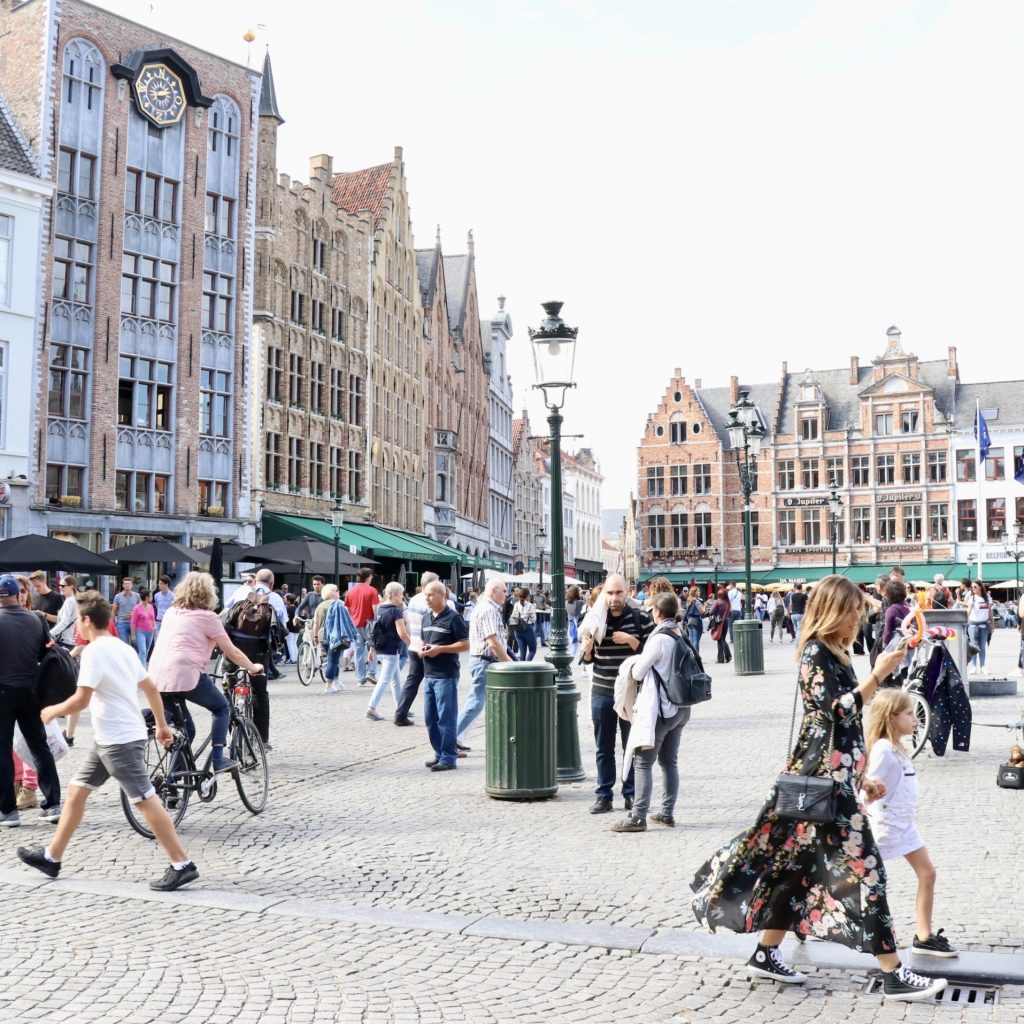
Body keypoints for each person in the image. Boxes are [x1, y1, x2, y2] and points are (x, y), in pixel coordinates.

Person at [690, 575, 947, 1002]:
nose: (858, 622)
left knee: (797, 868)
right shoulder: (814, 652)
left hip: (834, 779)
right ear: (834, 612)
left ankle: (765, 952)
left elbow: (846, 729)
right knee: (867, 870)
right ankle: (893, 971)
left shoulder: (839, 653)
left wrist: (860, 771)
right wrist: (878, 675)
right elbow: (834, 712)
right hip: (818, 780)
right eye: (852, 614)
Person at [16, 591, 199, 891]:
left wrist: (52, 711)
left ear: (87, 620)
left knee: (145, 799)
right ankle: (52, 857)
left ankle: (182, 863)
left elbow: (81, 699)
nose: (78, 627)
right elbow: (151, 688)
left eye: (78, 621)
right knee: (76, 792)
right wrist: (162, 725)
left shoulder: (95, 651)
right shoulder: (122, 647)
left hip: (119, 740)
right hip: (111, 738)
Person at [863, 689, 958, 958]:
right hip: (885, 827)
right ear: (891, 717)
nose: (914, 717)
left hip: (905, 826)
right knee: (858, 883)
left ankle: (924, 936)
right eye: (908, 713)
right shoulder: (882, 749)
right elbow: (864, 790)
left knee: (928, 873)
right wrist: (870, 792)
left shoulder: (899, 748)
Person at [148, 571, 264, 773]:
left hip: (157, 677)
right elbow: (232, 652)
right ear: (209, 594)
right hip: (185, 674)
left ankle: (173, 785)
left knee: (188, 731)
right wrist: (253, 667)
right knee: (222, 708)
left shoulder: (171, 613)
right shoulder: (208, 617)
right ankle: (219, 760)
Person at [610, 591, 690, 833]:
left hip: (662, 709)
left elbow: (638, 673)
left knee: (643, 762)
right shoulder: (679, 633)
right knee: (669, 762)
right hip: (681, 707)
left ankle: (638, 817)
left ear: (656, 612)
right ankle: (667, 812)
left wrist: (633, 664)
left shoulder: (658, 639)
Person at [580, 574, 653, 815]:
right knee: (603, 746)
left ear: (627, 592)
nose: (614, 598)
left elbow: (653, 653)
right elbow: (587, 659)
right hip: (602, 690)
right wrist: (588, 651)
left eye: (618, 593)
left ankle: (630, 794)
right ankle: (604, 794)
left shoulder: (640, 618)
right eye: (610, 593)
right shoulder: (595, 621)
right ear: (604, 594)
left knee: (631, 746)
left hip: (631, 693)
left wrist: (632, 641)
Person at [0, 574, 62, 827]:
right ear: (19, 594)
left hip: (2, 692)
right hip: (31, 692)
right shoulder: (36, 619)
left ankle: (8, 811)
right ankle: (53, 803)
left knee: (2, 750)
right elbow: (46, 654)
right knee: (39, 747)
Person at [224, 568, 285, 744]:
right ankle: (263, 739)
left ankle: (231, 734)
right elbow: (281, 625)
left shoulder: (242, 591)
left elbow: (227, 611)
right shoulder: (275, 598)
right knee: (260, 693)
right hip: (259, 650)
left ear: (255, 580)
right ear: (272, 584)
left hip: (235, 648)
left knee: (227, 688)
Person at [456, 577, 512, 751]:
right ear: (494, 590)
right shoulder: (488, 609)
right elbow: (493, 642)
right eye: (504, 590)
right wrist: (510, 664)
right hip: (485, 662)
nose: (506, 594)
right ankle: (450, 740)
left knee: (480, 703)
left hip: (484, 661)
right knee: (475, 703)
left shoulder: (488, 608)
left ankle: (456, 739)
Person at [420, 581, 470, 771]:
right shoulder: (426, 618)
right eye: (426, 595)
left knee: (446, 718)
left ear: (442, 596)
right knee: (430, 718)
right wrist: (423, 649)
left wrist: (440, 649)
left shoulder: (453, 618)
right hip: (429, 673)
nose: (427, 598)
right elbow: (425, 640)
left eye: (431, 595)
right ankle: (439, 753)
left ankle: (449, 757)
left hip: (446, 675)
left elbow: (465, 644)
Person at [395, 571, 448, 726]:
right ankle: (437, 718)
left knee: (412, 682)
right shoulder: (429, 602)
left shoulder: (413, 600)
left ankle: (400, 713)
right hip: (428, 646)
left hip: (414, 644)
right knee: (436, 682)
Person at [365, 582, 410, 721]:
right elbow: (402, 633)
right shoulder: (395, 611)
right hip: (392, 649)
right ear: (395, 594)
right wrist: (413, 644)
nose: (402, 598)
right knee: (384, 680)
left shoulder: (380, 608)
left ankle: (401, 707)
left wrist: (372, 649)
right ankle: (371, 708)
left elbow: (376, 629)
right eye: (401, 595)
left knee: (396, 679)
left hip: (381, 648)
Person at [345, 568, 379, 687]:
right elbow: (375, 609)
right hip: (369, 624)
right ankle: (371, 673)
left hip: (356, 625)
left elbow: (348, 609)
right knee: (374, 648)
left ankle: (360, 679)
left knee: (358, 652)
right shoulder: (372, 590)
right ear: (368, 577)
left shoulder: (351, 591)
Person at [321, 585, 357, 693]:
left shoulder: (321, 605)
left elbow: (317, 622)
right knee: (333, 661)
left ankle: (336, 682)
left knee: (333, 660)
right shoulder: (339, 604)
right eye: (337, 590)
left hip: (323, 635)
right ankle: (328, 685)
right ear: (331, 592)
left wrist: (315, 636)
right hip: (335, 636)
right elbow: (346, 621)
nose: (339, 592)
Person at [966, 581, 994, 675]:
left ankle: (982, 666)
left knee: (982, 647)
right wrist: (964, 622)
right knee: (974, 647)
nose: (973, 588)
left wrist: (993, 624)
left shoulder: (987, 598)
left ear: (980, 587)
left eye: (975, 587)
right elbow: (968, 611)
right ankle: (973, 666)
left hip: (984, 625)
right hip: (973, 625)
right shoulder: (972, 598)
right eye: (972, 587)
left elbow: (990, 612)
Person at [509, 587, 537, 662]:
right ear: (527, 596)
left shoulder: (516, 604)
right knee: (533, 650)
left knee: (522, 653)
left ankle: (521, 670)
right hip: (527, 629)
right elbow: (533, 619)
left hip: (517, 629)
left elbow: (513, 616)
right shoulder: (530, 605)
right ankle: (527, 666)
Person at [50, 576, 79, 649]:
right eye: (59, 585)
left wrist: (50, 633)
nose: (60, 587)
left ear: (71, 587)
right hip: (72, 639)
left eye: (63, 586)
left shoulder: (69, 601)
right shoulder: (76, 600)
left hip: (65, 640)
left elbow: (64, 621)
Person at [130, 588, 156, 666]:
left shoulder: (151, 606)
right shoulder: (137, 608)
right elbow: (133, 622)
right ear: (146, 597)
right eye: (151, 596)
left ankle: (139, 666)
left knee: (146, 652)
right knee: (143, 651)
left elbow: (152, 618)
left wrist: (154, 626)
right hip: (140, 631)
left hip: (150, 631)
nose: (152, 597)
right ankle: (143, 672)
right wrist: (133, 635)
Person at [111, 578, 140, 645]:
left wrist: (134, 614)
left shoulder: (137, 596)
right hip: (122, 623)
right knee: (124, 644)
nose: (127, 585)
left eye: (129, 584)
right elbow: (113, 611)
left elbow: (141, 609)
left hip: (134, 623)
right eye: (125, 584)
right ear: (123, 585)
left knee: (136, 644)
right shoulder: (118, 596)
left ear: (132, 585)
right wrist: (112, 623)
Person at [709, 587, 732, 664]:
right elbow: (730, 613)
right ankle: (728, 656)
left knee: (719, 640)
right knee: (723, 639)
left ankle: (720, 659)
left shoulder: (717, 602)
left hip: (719, 622)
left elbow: (711, 612)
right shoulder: (728, 602)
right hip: (726, 621)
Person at [684, 586, 704, 650]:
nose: (699, 592)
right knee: (696, 641)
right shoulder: (697, 602)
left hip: (689, 621)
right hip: (697, 621)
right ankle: (696, 657)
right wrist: (705, 607)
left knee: (691, 640)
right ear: (694, 593)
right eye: (698, 591)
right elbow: (702, 612)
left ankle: (691, 656)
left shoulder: (689, 601)